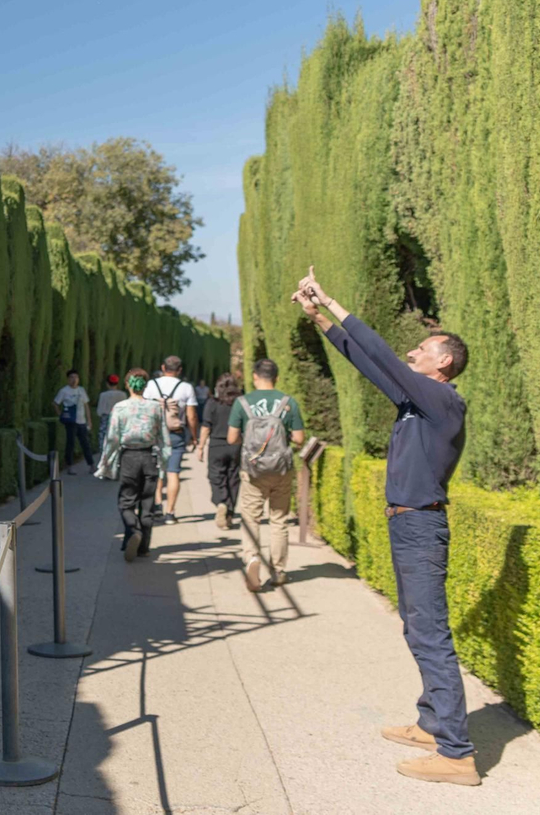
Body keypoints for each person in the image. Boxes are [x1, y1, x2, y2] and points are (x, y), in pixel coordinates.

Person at [293, 266, 479, 787]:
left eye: (422, 349)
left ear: (444, 362)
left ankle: (457, 753)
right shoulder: (415, 401)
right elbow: (367, 362)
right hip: (410, 526)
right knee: (418, 628)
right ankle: (433, 723)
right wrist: (318, 320)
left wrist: (330, 299)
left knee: (430, 634)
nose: (412, 353)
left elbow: (378, 351)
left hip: (421, 527)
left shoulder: (442, 400)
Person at [227, 360, 304, 589]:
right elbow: (299, 439)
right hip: (281, 469)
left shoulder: (242, 403)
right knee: (279, 520)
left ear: (254, 377)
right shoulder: (288, 403)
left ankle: (252, 558)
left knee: (251, 518)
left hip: (252, 471)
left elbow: (231, 438)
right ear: (277, 378)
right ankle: (278, 571)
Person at [99, 369, 172, 562]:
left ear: (127, 385)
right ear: (145, 386)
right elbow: (163, 437)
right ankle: (144, 547)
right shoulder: (156, 408)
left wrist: (105, 462)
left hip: (129, 457)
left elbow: (112, 438)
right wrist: (164, 462)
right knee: (147, 503)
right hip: (149, 457)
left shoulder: (120, 408)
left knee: (126, 501)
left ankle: (133, 531)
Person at [143, 356, 198, 524]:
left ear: (162, 367)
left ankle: (158, 505)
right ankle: (170, 513)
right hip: (176, 432)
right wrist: (194, 436)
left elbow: (144, 407)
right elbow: (191, 416)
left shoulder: (152, 385)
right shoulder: (186, 387)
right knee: (173, 472)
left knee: (158, 470)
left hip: (156, 432)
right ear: (180, 370)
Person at [197, 373, 244, 530]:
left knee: (216, 476)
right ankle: (229, 513)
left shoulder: (212, 403)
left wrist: (200, 446)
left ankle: (221, 501)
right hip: (236, 444)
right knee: (233, 478)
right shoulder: (240, 403)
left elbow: (206, 426)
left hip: (216, 444)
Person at [52, 369, 94, 474]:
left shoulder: (81, 390)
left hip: (81, 421)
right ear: (68, 379)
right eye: (71, 377)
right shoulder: (64, 391)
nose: (74, 380)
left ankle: (92, 465)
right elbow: (55, 403)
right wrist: (61, 415)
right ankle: (70, 466)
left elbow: (86, 405)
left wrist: (89, 420)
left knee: (85, 443)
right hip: (71, 421)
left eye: (76, 377)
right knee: (70, 444)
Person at [95, 373, 127, 455]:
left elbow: (99, 411)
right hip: (119, 419)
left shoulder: (103, 395)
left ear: (107, 383)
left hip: (106, 419)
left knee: (104, 440)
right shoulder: (123, 394)